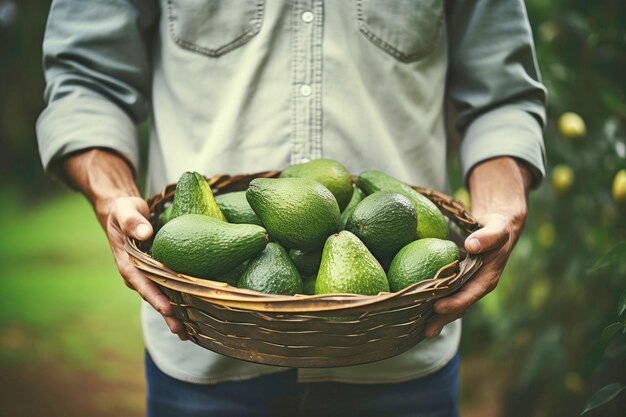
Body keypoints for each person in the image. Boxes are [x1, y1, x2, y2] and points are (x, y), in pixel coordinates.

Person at [36, 1, 546, 416]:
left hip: (406, 343)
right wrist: (112, 196)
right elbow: (86, 81)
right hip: (202, 348)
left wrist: (502, 206)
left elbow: (502, 95)